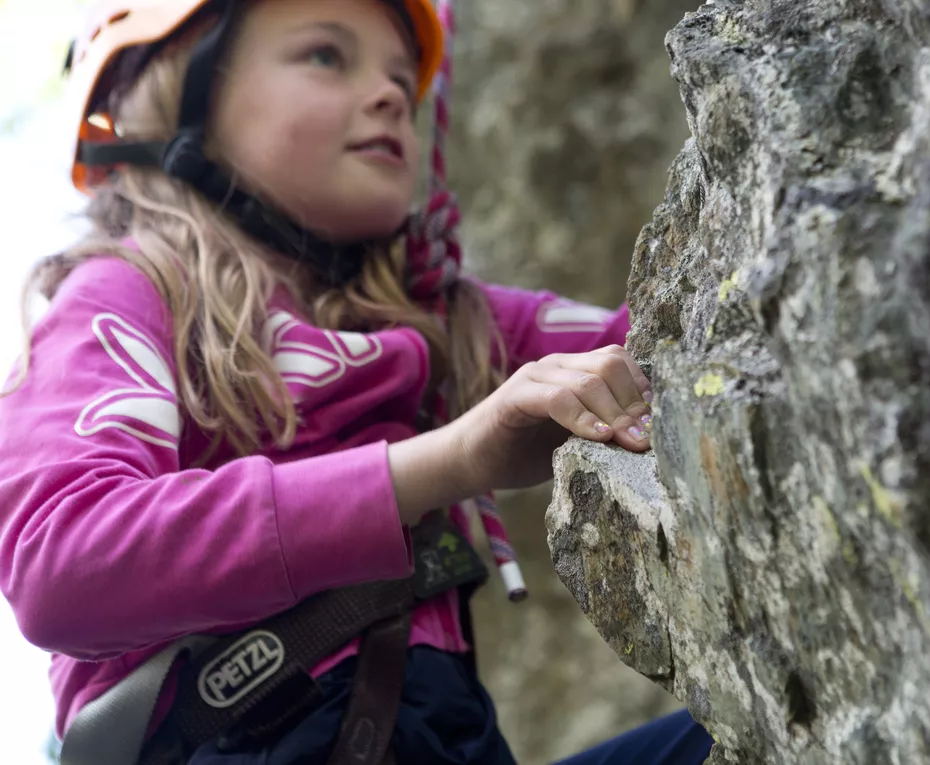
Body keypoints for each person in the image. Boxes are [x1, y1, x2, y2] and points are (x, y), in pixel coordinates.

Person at [0, 1, 715, 763]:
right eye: (326, 56)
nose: (385, 96)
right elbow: (61, 557)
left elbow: (678, 345)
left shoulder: (441, 320)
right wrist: (446, 460)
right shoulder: (129, 295)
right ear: (183, 101)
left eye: (401, 83)